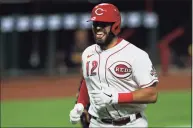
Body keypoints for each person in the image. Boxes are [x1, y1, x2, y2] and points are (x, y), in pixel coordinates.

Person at [69, 3, 159, 127]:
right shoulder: (88, 53)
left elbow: (152, 94)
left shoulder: (135, 54)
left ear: (115, 26)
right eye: (95, 24)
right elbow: (88, 81)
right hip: (97, 123)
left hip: (131, 123)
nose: (98, 28)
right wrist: (80, 104)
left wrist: (116, 97)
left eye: (103, 24)